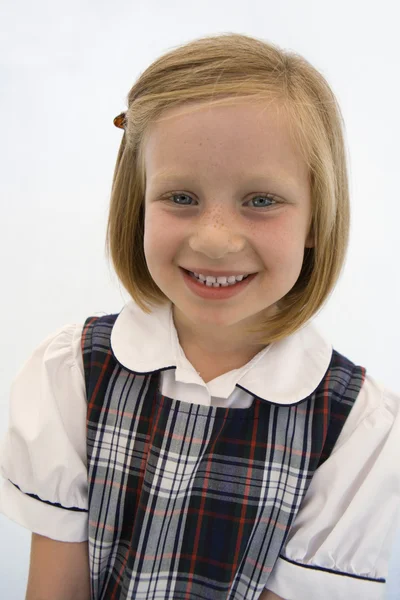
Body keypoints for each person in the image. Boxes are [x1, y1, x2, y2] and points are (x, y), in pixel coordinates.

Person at [0, 32, 399, 600]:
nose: (215, 240)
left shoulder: (356, 428)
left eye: (261, 200)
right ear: (137, 203)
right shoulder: (71, 372)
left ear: (316, 219)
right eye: (181, 197)